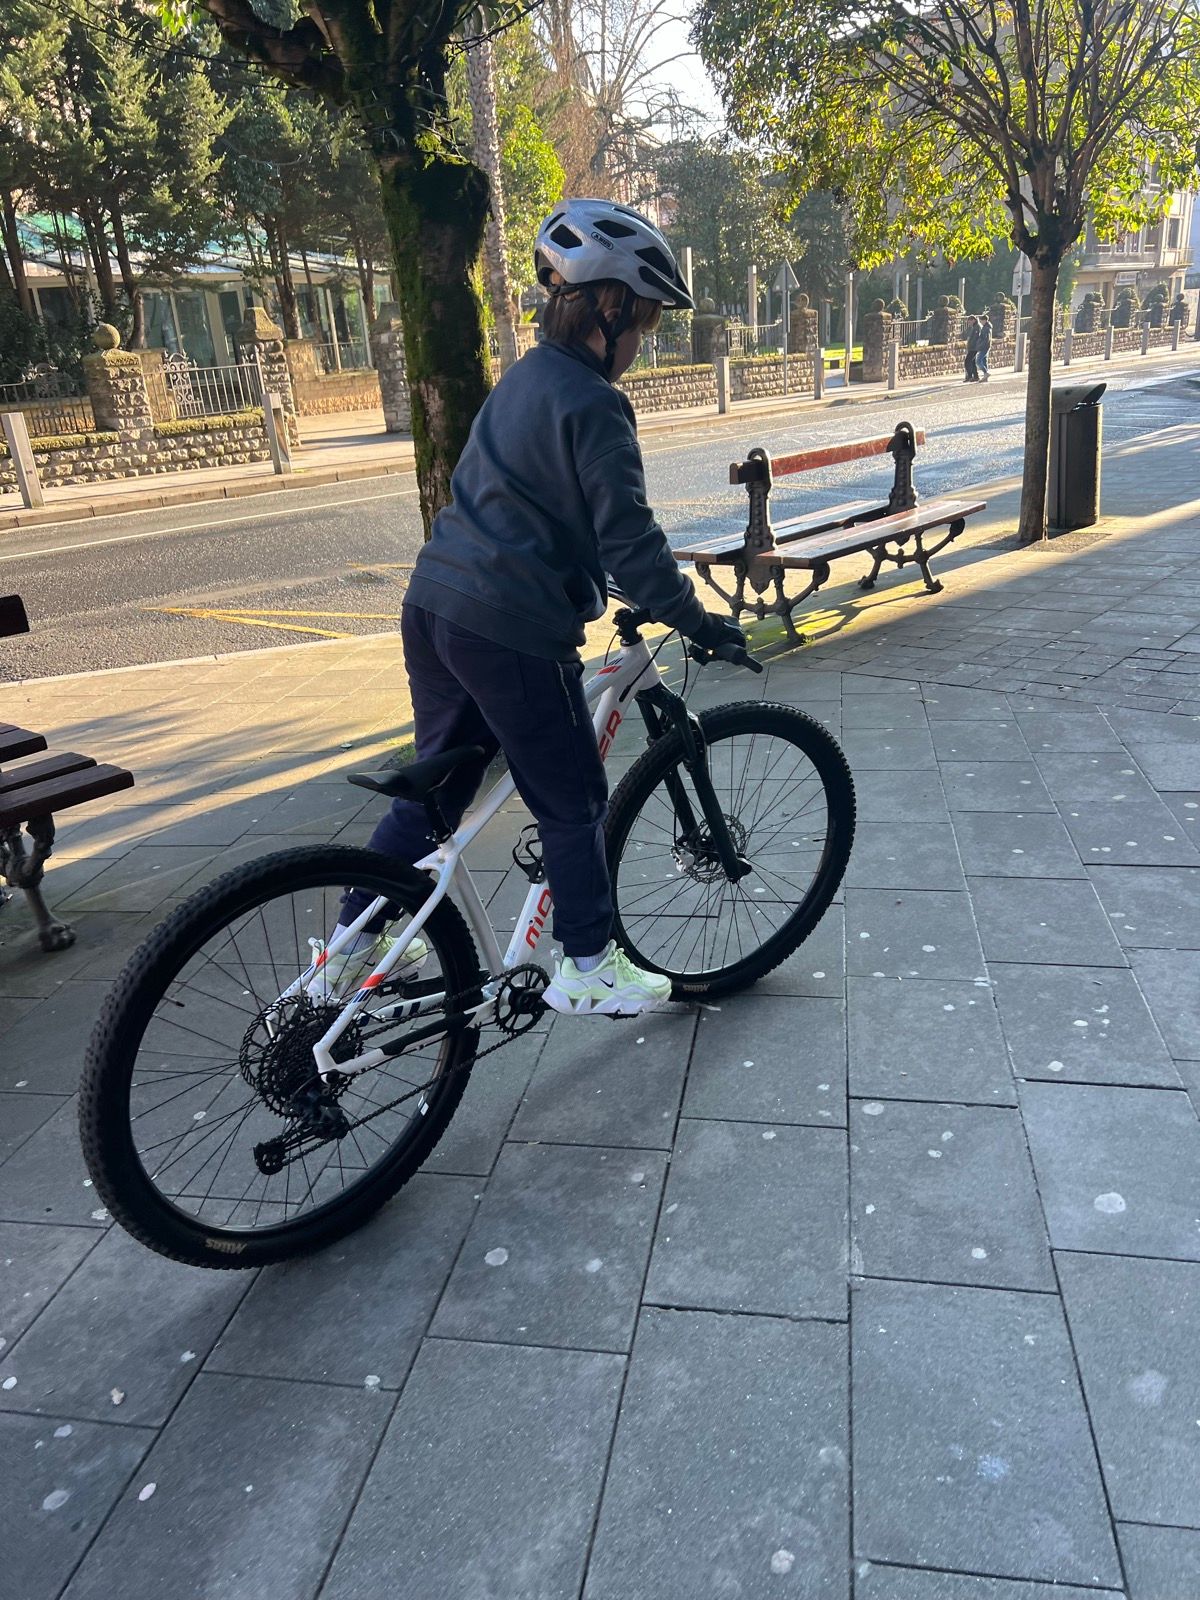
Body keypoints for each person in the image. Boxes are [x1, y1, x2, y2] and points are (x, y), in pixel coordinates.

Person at [318, 199, 745, 1018]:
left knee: (439, 791)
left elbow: (520, 499)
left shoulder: (522, 379)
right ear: (609, 310)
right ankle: (587, 966)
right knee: (572, 800)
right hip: (509, 627)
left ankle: (349, 948)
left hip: (434, 605)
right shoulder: (594, 402)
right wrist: (699, 622)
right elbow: (630, 540)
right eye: (644, 323)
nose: (642, 343)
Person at [975, 312, 992, 382]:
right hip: (986, 346)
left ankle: (986, 373)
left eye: (981, 321)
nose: (980, 322)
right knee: (984, 361)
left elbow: (986, 339)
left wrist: (980, 345)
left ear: (984, 320)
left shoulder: (986, 328)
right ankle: (985, 377)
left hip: (984, 347)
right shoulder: (987, 327)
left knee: (978, 361)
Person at [963, 316, 980, 382]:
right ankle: (975, 376)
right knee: (972, 362)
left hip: (974, 348)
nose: (969, 323)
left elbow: (975, 338)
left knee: (967, 362)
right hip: (972, 348)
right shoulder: (974, 327)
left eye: (969, 322)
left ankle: (970, 376)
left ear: (973, 320)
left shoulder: (977, 327)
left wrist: (970, 344)